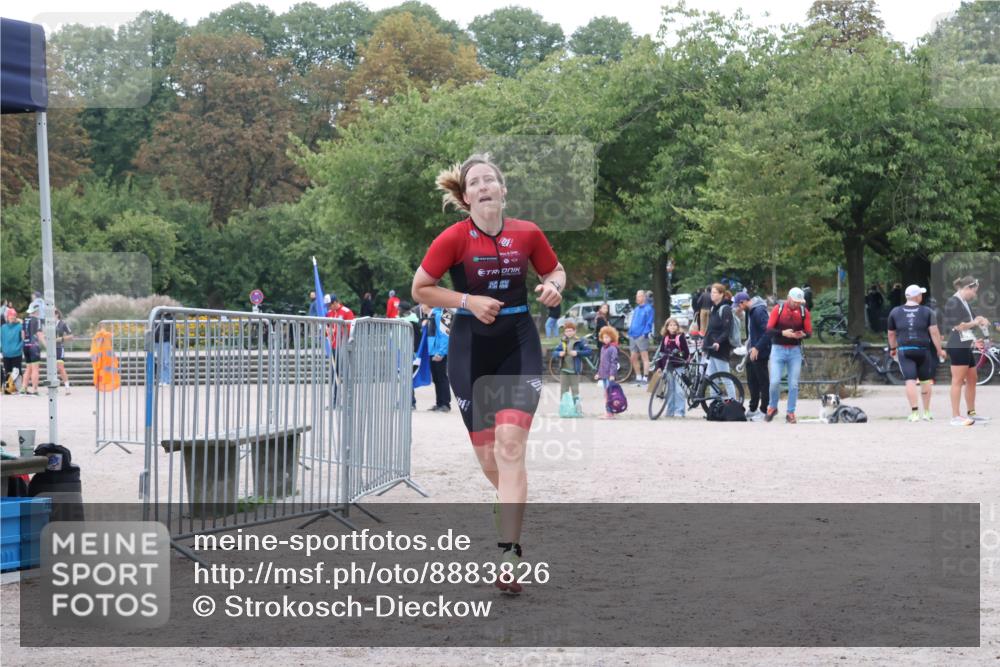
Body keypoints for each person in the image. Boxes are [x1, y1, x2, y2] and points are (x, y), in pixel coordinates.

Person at [411, 153, 565, 593]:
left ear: (502, 190)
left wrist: (553, 286)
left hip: (518, 342)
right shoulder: (453, 239)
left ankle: (509, 553)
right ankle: (512, 503)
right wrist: (467, 301)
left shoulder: (528, 233)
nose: (482, 186)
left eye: (488, 180)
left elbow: (554, 269)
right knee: (489, 458)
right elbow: (420, 288)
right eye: (473, 182)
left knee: (511, 447)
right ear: (465, 196)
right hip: (470, 349)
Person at [886, 285, 946, 422]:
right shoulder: (927, 311)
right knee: (925, 381)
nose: (922, 297)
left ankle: (914, 413)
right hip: (923, 351)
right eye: (921, 294)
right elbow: (934, 332)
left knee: (910, 381)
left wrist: (893, 348)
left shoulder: (895, 312)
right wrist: (939, 350)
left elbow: (891, 333)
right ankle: (927, 412)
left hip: (905, 351)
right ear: (917, 296)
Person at [943, 276, 991, 426]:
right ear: (968, 288)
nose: (975, 295)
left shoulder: (963, 302)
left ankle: (971, 413)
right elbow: (959, 326)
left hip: (966, 344)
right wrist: (976, 322)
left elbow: (970, 321)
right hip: (957, 345)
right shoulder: (953, 302)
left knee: (972, 379)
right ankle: (955, 416)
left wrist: (980, 319)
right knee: (957, 380)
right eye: (974, 291)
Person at [765, 287, 812, 423]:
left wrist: (803, 334)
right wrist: (782, 333)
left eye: (799, 302)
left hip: (795, 351)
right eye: (795, 301)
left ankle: (790, 412)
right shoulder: (778, 309)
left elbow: (809, 332)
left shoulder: (804, 312)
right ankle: (772, 407)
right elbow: (769, 330)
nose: (797, 304)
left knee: (793, 384)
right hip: (778, 349)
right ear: (789, 298)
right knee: (774, 382)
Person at [737, 292, 771, 420]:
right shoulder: (750, 311)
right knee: (752, 380)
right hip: (752, 350)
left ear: (744, 302)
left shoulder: (758, 312)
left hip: (760, 351)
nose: (738, 309)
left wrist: (757, 347)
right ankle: (753, 408)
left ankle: (764, 410)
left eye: (739, 306)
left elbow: (768, 331)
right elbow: (753, 333)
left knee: (763, 381)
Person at [702, 283, 736, 393]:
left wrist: (718, 342)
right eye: (711, 292)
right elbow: (710, 329)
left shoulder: (725, 309)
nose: (711, 295)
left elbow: (726, 331)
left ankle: (734, 404)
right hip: (711, 349)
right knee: (712, 379)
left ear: (721, 294)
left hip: (720, 349)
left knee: (726, 378)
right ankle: (714, 404)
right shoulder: (713, 308)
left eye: (714, 292)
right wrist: (705, 345)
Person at [653, 317, 689, 417]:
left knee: (679, 391)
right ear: (667, 327)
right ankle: (670, 411)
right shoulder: (665, 338)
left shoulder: (680, 337)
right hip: (668, 368)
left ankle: (679, 412)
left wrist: (678, 354)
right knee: (670, 390)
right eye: (670, 325)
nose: (673, 327)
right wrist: (659, 366)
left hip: (678, 367)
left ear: (677, 327)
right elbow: (661, 354)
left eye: (674, 325)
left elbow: (686, 353)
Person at [552, 319, 589, 412]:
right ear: (564, 332)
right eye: (567, 331)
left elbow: (589, 351)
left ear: (574, 331)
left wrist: (577, 353)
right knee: (563, 390)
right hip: (564, 369)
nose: (568, 332)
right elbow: (554, 352)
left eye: (570, 330)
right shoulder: (563, 341)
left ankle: (577, 410)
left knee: (575, 391)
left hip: (574, 370)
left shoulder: (579, 341)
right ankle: (564, 409)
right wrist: (558, 353)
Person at [426, 304, 452, 412]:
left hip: (439, 351)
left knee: (441, 377)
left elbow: (445, 335)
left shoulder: (444, 314)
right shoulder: (434, 313)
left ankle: (445, 404)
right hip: (432, 350)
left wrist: (441, 353)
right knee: (436, 378)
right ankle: (439, 403)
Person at [628, 289, 654, 386]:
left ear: (643, 297)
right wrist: (630, 332)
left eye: (638, 296)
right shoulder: (636, 309)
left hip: (641, 336)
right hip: (632, 335)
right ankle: (638, 377)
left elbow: (649, 322)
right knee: (633, 357)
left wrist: (645, 333)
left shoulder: (649, 309)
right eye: (636, 296)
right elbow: (633, 321)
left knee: (644, 357)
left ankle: (645, 378)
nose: (636, 298)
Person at [595, 325, 620, 419]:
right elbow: (602, 362)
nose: (605, 339)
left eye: (607, 337)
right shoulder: (603, 348)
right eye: (604, 337)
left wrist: (612, 374)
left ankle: (610, 412)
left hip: (610, 375)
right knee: (606, 394)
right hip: (604, 375)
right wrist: (598, 373)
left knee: (609, 394)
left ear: (612, 337)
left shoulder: (613, 348)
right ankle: (608, 411)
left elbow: (614, 362)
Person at [21, 302, 45, 395]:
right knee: (35, 369)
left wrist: (26, 342)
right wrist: (46, 346)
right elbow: (39, 334)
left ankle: (23, 388)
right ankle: (35, 390)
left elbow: (22, 334)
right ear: (36, 310)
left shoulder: (25, 319)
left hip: (25, 346)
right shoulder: (37, 320)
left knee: (28, 368)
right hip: (34, 346)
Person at [1, 307, 24, 393]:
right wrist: (1, 349)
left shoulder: (19, 326)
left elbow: (23, 339)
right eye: (10, 316)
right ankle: (8, 388)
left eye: (14, 316)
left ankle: (19, 388)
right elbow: (1, 339)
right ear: (7, 317)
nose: (12, 318)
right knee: (8, 371)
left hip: (16, 353)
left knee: (17, 371)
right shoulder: (3, 327)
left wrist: (18, 347)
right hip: (6, 353)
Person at [53, 308, 73, 394]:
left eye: (52, 314)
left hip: (59, 348)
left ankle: (67, 387)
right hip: (51, 350)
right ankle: (53, 388)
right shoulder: (48, 324)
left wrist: (60, 339)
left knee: (60, 368)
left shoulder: (63, 323)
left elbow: (71, 336)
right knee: (52, 369)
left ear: (57, 314)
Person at [152, 312, 175, 385]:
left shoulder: (170, 319)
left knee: (165, 361)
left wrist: (172, 343)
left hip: (165, 341)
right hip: (157, 341)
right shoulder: (157, 317)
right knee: (160, 361)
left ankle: (166, 380)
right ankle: (163, 379)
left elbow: (173, 331)